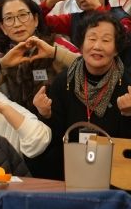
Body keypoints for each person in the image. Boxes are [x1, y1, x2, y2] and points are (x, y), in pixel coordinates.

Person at [33, 13, 131, 142]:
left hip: (113, 154)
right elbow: (55, 137)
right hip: (71, 152)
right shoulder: (64, 82)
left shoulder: (127, 85)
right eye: (92, 39)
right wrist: (45, 115)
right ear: (81, 45)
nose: (97, 46)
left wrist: (128, 114)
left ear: (116, 49)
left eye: (106, 40)